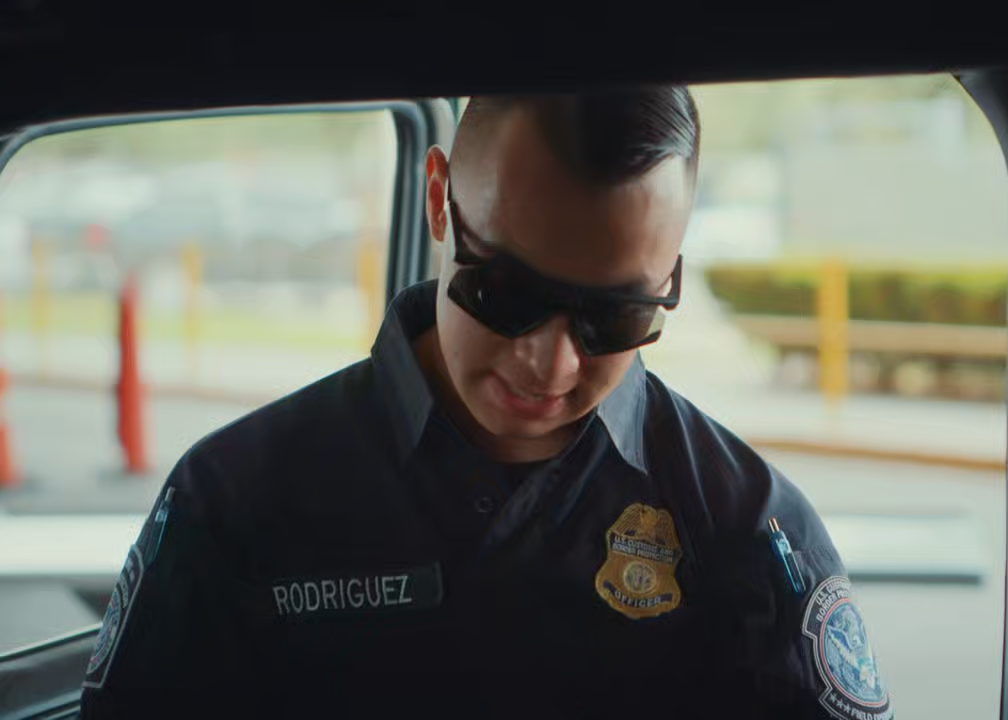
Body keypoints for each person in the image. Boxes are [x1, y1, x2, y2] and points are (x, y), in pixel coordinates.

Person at [79, 88, 893, 720]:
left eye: (617, 315)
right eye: (507, 293)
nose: (551, 361)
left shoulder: (747, 530)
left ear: (672, 273)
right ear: (439, 198)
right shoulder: (236, 504)